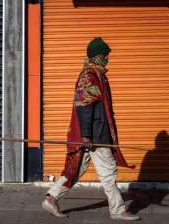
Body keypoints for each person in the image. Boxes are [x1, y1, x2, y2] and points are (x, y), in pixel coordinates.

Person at [42, 37, 140, 221]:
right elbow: (84, 106)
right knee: (108, 173)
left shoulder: (97, 74)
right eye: (105, 55)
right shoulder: (90, 76)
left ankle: (51, 199)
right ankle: (118, 210)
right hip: (96, 135)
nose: (108, 58)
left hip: (96, 133)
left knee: (75, 169)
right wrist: (86, 135)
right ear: (97, 56)